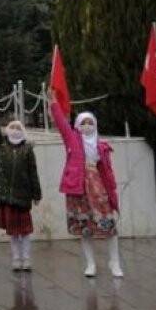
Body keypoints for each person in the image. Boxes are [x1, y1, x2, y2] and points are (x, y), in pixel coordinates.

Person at [51, 95, 123, 277]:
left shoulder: (102, 146)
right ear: (77, 125)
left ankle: (114, 262)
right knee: (85, 228)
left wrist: (111, 190)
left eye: (90, 123)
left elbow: (107, 171)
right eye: (83, 123)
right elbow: (61, 123)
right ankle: (90, 264)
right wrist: (53, 103)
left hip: (98, 188)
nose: (86, 126)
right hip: (78, 189)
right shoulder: (72, 139)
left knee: (109, 226)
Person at [0, 116, 40, 272]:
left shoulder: (27, 150)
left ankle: (26, 258)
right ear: (7, 130)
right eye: (12, 127)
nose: (15, 130)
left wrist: (37, 194)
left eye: (18, 127)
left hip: (23, 195)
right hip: (7, 197)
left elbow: (33, 172)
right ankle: (16, 258)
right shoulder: (1, 146)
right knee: (13, 232)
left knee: (25, 231)